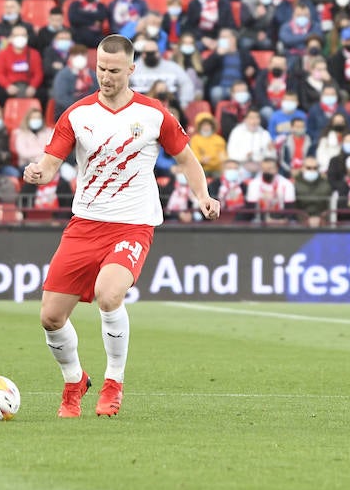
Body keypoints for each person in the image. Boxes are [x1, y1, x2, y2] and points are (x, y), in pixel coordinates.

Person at [23, 35, 221, 418]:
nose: (106, 77)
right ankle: (74, 381)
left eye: (114, 71)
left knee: (108, 295)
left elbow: (187, 159)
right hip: (85, 224)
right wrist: (38, 173)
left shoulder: (153, 114)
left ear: (131, 70)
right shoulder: (77, 114)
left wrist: (203, 196)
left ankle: (114, 383)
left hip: (132, 225)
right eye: (100, 69)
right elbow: (51, 162)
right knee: (50, 316)